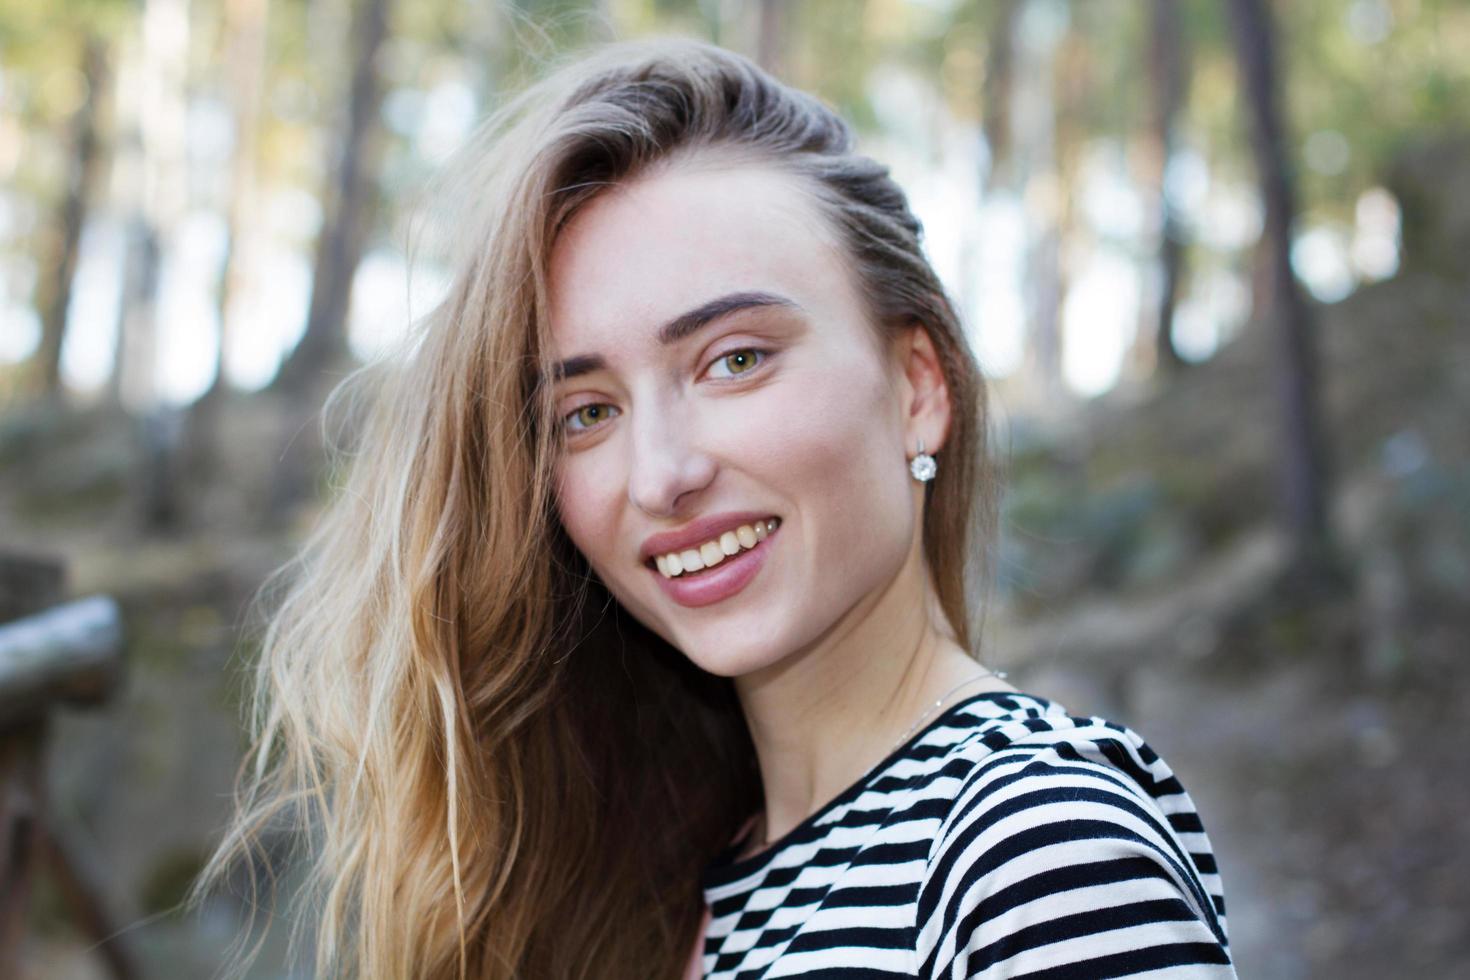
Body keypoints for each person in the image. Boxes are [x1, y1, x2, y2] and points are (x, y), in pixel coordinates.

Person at [190, 36, 1237, 980]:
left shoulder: (1031, 848)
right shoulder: (679, 881)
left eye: (734, 359)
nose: (661, 472)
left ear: (918, 385)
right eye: (586, 411)